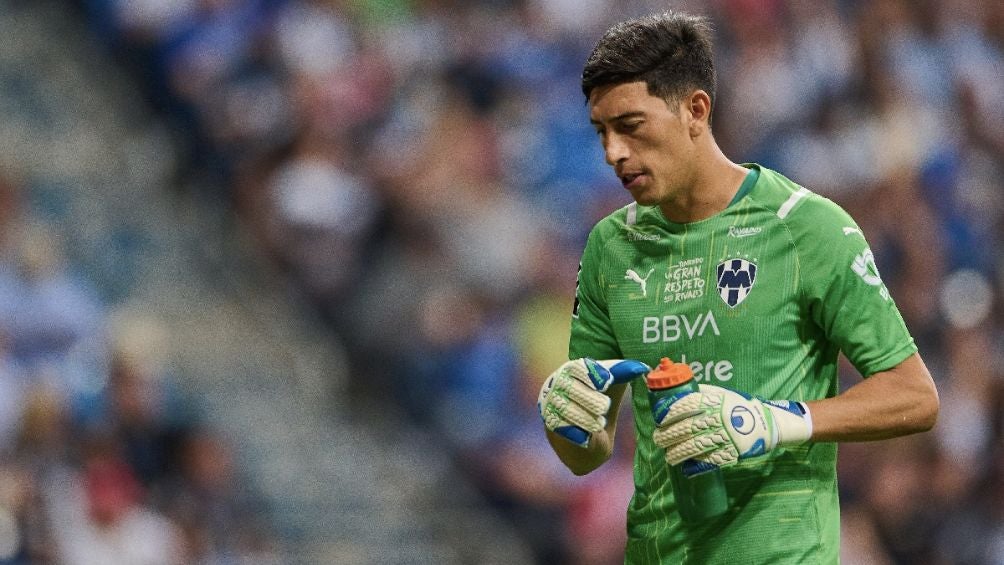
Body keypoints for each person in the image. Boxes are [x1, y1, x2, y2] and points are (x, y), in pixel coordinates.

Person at [535, 11, 939, 564]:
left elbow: (914, 396)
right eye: (601, 131)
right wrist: (566, 418)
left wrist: (775, 421)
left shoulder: (805, 227)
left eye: (630, 125)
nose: (613, 153)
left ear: (695, 110)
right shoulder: (610, 245)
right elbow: (586, 454)